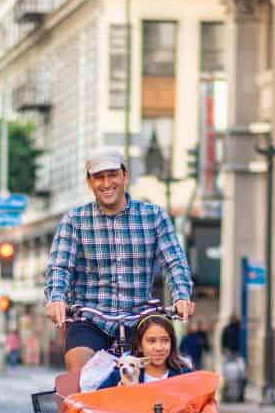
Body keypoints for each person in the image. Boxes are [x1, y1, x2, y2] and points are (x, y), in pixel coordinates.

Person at [44, 148, 194, 376]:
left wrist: (181, 296)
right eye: (98, 177)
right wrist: (56, 299)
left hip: (140, 317)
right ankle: (80, 411)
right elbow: (59, 266)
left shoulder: (154, 216)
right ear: (89, 182)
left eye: (112, 175)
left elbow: (175, 263)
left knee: (163, 369)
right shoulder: (74, 220)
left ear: (125, 176)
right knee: (79, 368)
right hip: (91, 317)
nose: (106, 183)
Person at [96, 315, 191, 389]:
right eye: (151, 341)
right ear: (139, 346)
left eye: (165, 340)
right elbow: (96, 403)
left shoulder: (185, 375)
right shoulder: (119, 376)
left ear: (172, 343)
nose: (158, 348)